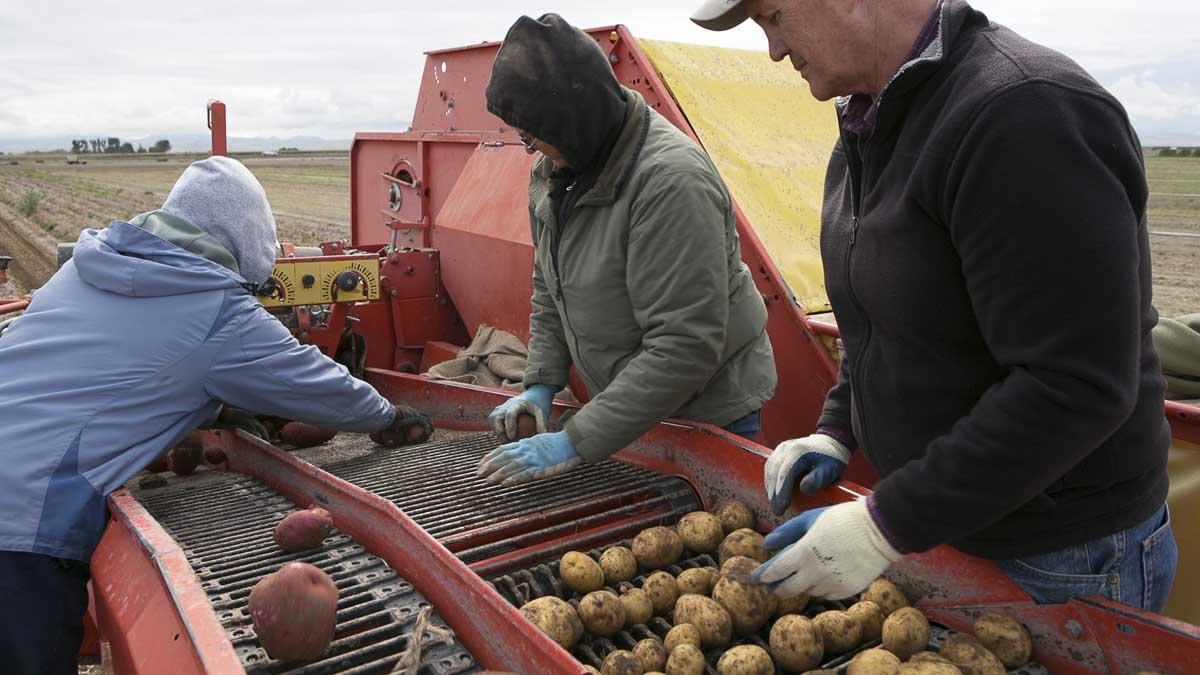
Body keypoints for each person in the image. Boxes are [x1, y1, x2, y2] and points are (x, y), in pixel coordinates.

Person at [692, 0, 1178, 610]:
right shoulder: (875, 121)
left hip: (1060, 555)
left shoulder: (1023, 114)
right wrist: (838, 427)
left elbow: (1076, 384)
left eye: (772, 18)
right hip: (951, 520)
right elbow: (884, 317)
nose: (773, 50)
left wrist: (885, 523)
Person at [0, 156, 431, 674]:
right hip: (21, 523)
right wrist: (386, 415)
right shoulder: (215, 309)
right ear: (247, 243)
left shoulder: (87, 268)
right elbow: (311, 382)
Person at [477, 14, 777, 487]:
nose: (528, 148)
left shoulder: (670, 184)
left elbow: (684, 346)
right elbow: (549, 285)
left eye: (532, 134)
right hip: (629, 404)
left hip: (705, 411)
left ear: (572, 122)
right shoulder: (559, 169)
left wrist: (575, 439)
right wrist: (539, 385)